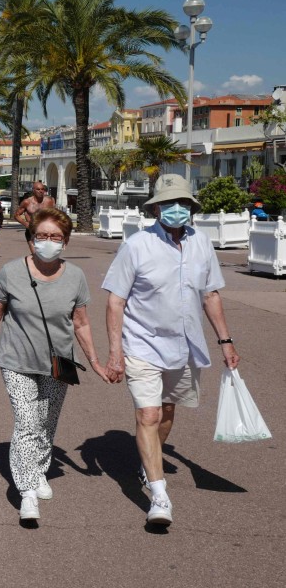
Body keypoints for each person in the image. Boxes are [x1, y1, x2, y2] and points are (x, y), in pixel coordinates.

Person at [101, 174, 240, 528]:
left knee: (165, 412)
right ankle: (159, 496)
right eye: (168, 203)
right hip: (142, 344)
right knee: (147, 416)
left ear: (191, 208)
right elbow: (115, 301)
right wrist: (115, 353)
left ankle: (151, 461)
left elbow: (210, 295)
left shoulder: (202, 244)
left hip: (184, 345)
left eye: (182, 203)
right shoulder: (136, 245)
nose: (176, 209)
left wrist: (226, 341)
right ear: (156, 208)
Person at [0, 207, 107, 522]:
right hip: (16, 361)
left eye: (55, 237)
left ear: (66, 241)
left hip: (59, 363)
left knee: (47, 422)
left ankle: (40, 470)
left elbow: (81, 324)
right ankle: (27, 491)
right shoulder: (11, 272)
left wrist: (96, 362)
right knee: (28, 422)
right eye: (41, 235)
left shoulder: (76, 276)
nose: (48, 241)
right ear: (31, 239)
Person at [15, 182, 56, 252]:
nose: (41, 191)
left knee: (45, 254)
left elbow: (54, 215)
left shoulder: (49, 201)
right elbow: (16, 215)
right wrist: (25, 224)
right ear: (33, 190)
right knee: (35, 255)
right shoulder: (27, 202)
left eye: (42, 189)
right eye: (38, 189)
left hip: (45, 232)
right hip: (32, 232)